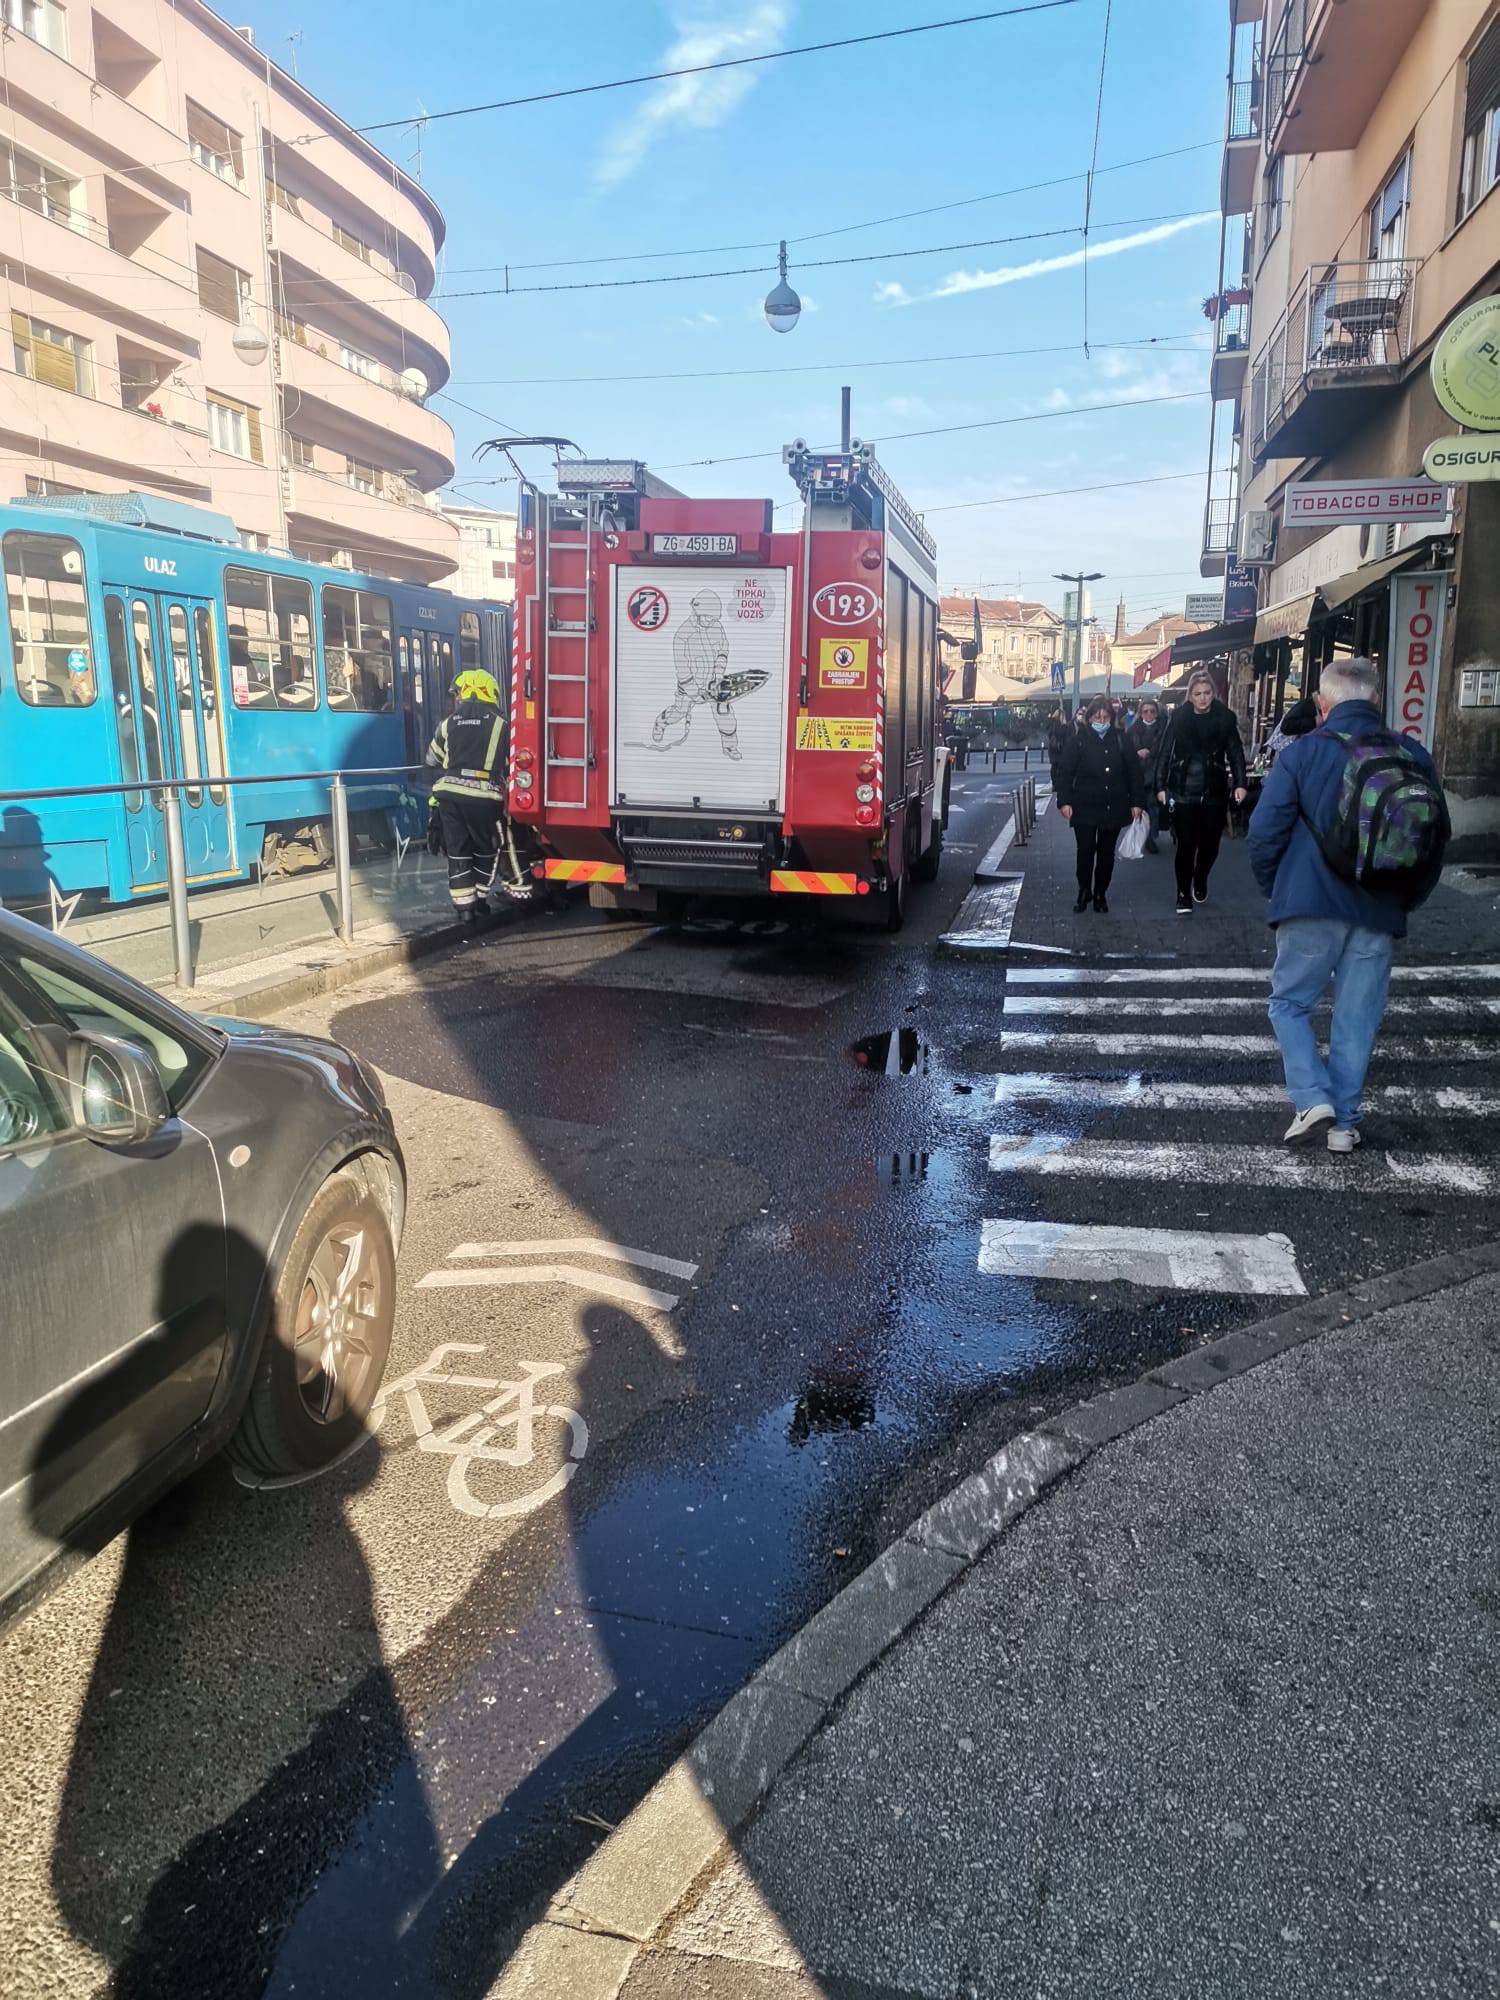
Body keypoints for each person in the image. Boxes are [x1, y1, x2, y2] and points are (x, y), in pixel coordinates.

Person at [1247, 656, 1449, 1152]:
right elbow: (1435, 838)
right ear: (1377, 701)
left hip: (1310, 903)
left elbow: (1264, 832)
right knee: (1357, 1018)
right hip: (1380, 907)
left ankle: (1312, 1097)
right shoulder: (1413, 755)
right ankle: (1344, 1125)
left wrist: (1278, 889)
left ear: (1322, 703)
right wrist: (1407, 898)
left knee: (1290, 1003)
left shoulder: (1302, 754)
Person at [1154, 669, 1247, 914]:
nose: (1203, 698)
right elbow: (1165, 751)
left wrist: (1240, 783)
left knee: (1210, 845)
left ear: (1213, 694)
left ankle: (1201, 876)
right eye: (1198, 694)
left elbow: (1236, 752)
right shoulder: (1179, 718)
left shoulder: (1224, 718)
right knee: (1185, 845)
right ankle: (1183, 893)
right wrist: (1160, 785)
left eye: (1207, 693)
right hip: (1183, 788)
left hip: (1213, 789)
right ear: (1191, 695)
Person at [426, 667, 507, 924]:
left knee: (458, 851)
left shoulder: (448, 723)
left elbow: (431, 759)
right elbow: (511, 761)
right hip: (486, 797)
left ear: (464, 692)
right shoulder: (502, 724)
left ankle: (465, 910)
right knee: (486, 848)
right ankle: (481, 900)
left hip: (450, 796)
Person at [1055, 693, 1147, 913]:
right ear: (1089, 719)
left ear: (1111, 718)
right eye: (1097, 717)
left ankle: (1100, 893)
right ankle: (1084, 889)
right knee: (1085, 851)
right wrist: (1064, 801)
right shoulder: (1079, 740)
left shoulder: (1120, 738)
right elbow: (1065, 772)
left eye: (1105, 717)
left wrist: (1137, 802)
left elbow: (1134, 772)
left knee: (1106, 853)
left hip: (1113, 804)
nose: (1101, 722)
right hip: (1084, 804)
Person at [1125, 697, 1165, 853]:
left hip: (1156, 775)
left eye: (1152, 711)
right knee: (1140, 808)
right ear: (1140, 713)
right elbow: (1126, 753)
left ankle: (1151, 838)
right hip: (1138, 775)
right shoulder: (1133, 729)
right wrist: (1137, 753)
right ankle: (1142, 836)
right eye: (1145, 711)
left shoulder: (1163, 730)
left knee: (1153, 807)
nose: (1149, 714)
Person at [1045, 706, 1070, 784]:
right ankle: (1057, 784)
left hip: (1053, 749)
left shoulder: (1051, 724)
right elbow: (1063, 734)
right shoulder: (1058, 725)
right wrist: (1065, 724)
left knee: (1054, 767)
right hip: (1059, 749)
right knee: (1058, 768)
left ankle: (1055, 784)